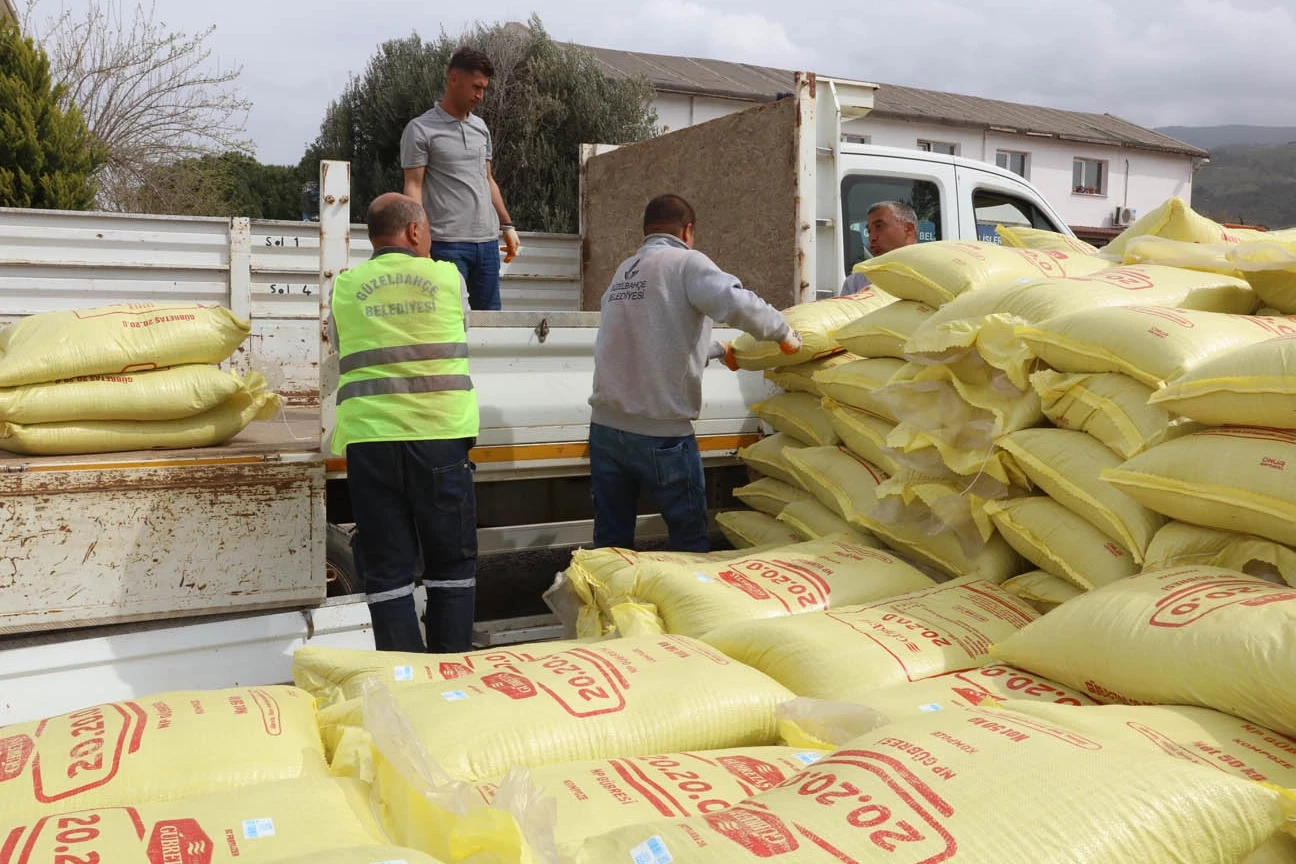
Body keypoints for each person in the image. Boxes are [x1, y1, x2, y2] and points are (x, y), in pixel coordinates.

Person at [588, 194, 801, 552]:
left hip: (606, 430)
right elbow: (738, 303)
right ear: (687, 230)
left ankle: (602, 587)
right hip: (660, 435)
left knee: (611, 542)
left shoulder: (626, 270)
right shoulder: (686, 262)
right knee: (688, 541)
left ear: (647, 230)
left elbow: (650, 341)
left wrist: (717, 350)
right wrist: (784, 333)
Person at [329, 192, 479, 653]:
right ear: (414, 230)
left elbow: (339, 346)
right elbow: (462, 328)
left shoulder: (346, 286)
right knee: (450, 565)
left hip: (370, 441)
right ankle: (449, 669)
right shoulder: (447, 277)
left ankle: (405, 674)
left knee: (387, 571)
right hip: (438, 437)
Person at [401, 46, 519, 312]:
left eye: (484, 89)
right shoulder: (420, 129)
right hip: (446, 245)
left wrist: (507, 225)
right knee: (447, 320)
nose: (480, 95)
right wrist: (418, 239)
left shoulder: (481, 128)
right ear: (454, 78)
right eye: (476, 87)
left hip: (487, 245)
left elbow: (487, 178)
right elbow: (413, 185)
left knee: (489, 324)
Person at [840, 200, 920, 296]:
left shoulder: (931, 271)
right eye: (869, 231)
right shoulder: (856, 282)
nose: (872, 238)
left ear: (908, 230)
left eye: (879, 227)